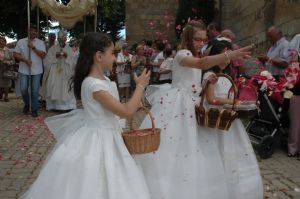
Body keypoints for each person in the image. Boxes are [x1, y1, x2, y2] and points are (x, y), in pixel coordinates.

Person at [134, 20, 258, 199]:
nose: (200, 43)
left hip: (194, 104)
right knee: (177, 146)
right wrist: (231, 54)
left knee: (199, 147)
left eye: (203, 39)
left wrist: (207, 83)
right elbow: (203, 64)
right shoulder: (182, 54)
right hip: (178, 105)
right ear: (188, 39)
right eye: (197, 40)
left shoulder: (196, 56)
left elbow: (198, 75)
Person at [21, 32, 151, 199]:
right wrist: (140, 87)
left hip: (109, 134)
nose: (115, 57)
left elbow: (119, 110)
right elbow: (125, 112)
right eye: (112, 53)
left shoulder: (103, 80)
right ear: (99, 56)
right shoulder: (94, 85)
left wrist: (134, 103)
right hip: (99, 138)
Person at [202, 38, 263, 198]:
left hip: (229, 120)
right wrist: (232, 101)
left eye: (228, 56)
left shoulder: (229, 75)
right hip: (215, 120)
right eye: (222, 56)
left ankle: (234, 185)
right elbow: (210, 99)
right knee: (217, 152)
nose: (225, 60)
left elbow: (232, 93)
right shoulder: (210, 74)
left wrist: (239, 98)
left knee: (232, 152)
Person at [13, 24, 46, 117]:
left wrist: (33, 47)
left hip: (37, 70)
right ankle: (28, 104)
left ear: (37, 33)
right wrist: (25, 60)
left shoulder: (40, 42)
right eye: (31, 30)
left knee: (35, 91)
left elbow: (43, 55)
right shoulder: (21, 42)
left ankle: (34, 109)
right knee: (23, 89)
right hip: (24, 69)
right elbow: (15, 54)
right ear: (27, 31)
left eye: (35, 31)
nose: (33, 32)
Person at [43, 30, 77, 112]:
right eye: (60, 39)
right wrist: (55, 57)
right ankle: (55, 106)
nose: (62, 40)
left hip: (66, 72)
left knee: (66, 88)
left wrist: (67, 57)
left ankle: (68, 106)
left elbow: (74, 61)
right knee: (55, 87)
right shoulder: (52, 49)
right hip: (55, 72)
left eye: (63, 38)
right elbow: (47, 61)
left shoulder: (69, 49)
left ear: (65, 39)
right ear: (58, 39)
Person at [287, 34, 300, 158]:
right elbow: (291, 81)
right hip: (296, 94)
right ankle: (293, 148)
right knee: (295, 123)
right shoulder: (295, 63)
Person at [0, 36, 15, 102]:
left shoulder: (8, 51)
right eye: (0, 41)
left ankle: (6, 96)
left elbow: (13, 61)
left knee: (6, 83)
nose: (1, 42)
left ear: (5, 42)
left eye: (3, 41)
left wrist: (8, 62)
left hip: (6, 69)